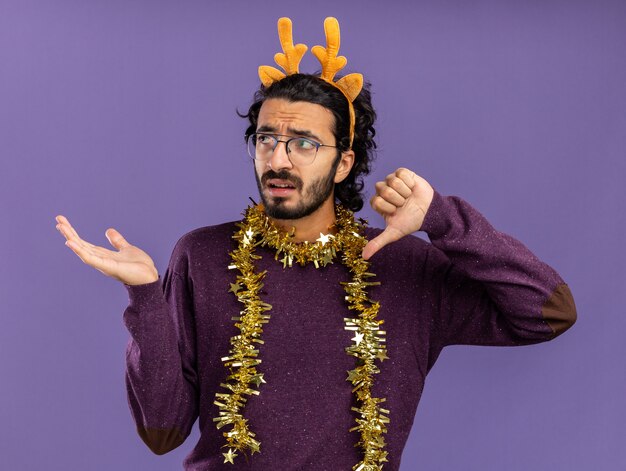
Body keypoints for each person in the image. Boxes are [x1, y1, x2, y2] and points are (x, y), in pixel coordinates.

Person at [55, 17, 576, 471]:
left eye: (304, 143)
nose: (279, 160)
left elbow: (548, 312)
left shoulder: (406, 267)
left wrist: (442, 218)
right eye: (266, 139)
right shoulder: (202, 257)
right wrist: (146, 296)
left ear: (343, 162)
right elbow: (162, 432)